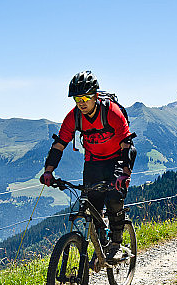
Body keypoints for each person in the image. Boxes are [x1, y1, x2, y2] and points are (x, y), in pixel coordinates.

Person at [40, 71, 137, 259]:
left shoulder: (112, 112)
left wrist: (125, 173)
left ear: (96, 95)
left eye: (86, 97)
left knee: (114, 197)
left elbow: (126, 142)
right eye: (77, 98)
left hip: (118, 157)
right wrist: (48, 171)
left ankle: (115, 244)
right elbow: (59, 144)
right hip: (94, 161)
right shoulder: (74, 117)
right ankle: (101, 244)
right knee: (92, 205)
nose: (82, 102)